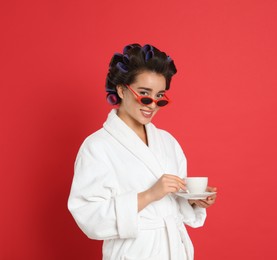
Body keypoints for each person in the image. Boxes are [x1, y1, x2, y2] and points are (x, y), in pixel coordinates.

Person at [68, 43, 217, 260]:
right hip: (135, 252)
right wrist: (149, 195)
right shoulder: (97, 146)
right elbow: (88, 215)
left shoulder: (167, 141)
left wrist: (193, 200)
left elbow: (174, 203)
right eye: (144, 95)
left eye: (160, 97)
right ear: (121, 90)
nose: (152, 105)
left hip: (174, 250)